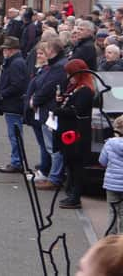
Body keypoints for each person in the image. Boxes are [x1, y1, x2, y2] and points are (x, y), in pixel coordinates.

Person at [54, 59, 94, 209]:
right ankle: (71, 192)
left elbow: (76, 110)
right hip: (68, 132)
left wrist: (59, 110)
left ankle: (75, 196)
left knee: (76, 166)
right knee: (70, 164)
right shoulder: (75, 88)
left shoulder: (85, 91)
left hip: (76, 133)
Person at [32, 38, 68, 191]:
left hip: (50, 110)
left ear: (52, 50)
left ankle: (54, 178)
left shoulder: (58, 67)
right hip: (46, 109)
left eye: (46, 49)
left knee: (52, 147)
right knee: (49, 146)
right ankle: (52, 175)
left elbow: (49, 87)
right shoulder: (55, 65)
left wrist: (36, 100)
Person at [0, 37, 28, 173]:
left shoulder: (16, 64)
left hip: (14, 104)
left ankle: (17, 162)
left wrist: (3, 93)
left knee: (14, 135)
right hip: (12, 104)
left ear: (12, 50)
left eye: (6, 49)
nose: (4, 51)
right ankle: (17, 160)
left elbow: (18, 85)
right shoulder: (15, 62)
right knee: (14, 134)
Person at [24, 43, 52, 182]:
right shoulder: (40, 70)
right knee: (42, 143)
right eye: (38, 54)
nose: (39, 56)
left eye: (42, 54)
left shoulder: (47, 71)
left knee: (45, 144)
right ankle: (44, 169)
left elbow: (42, 90)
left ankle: (45, 172)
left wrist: (33, 100)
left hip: (41, 111)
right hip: (36, 111)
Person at [99, 115, 123, 234]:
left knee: (112, 212)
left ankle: (110, 238)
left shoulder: (109, 144)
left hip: (112, 184)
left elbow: (102, 161)